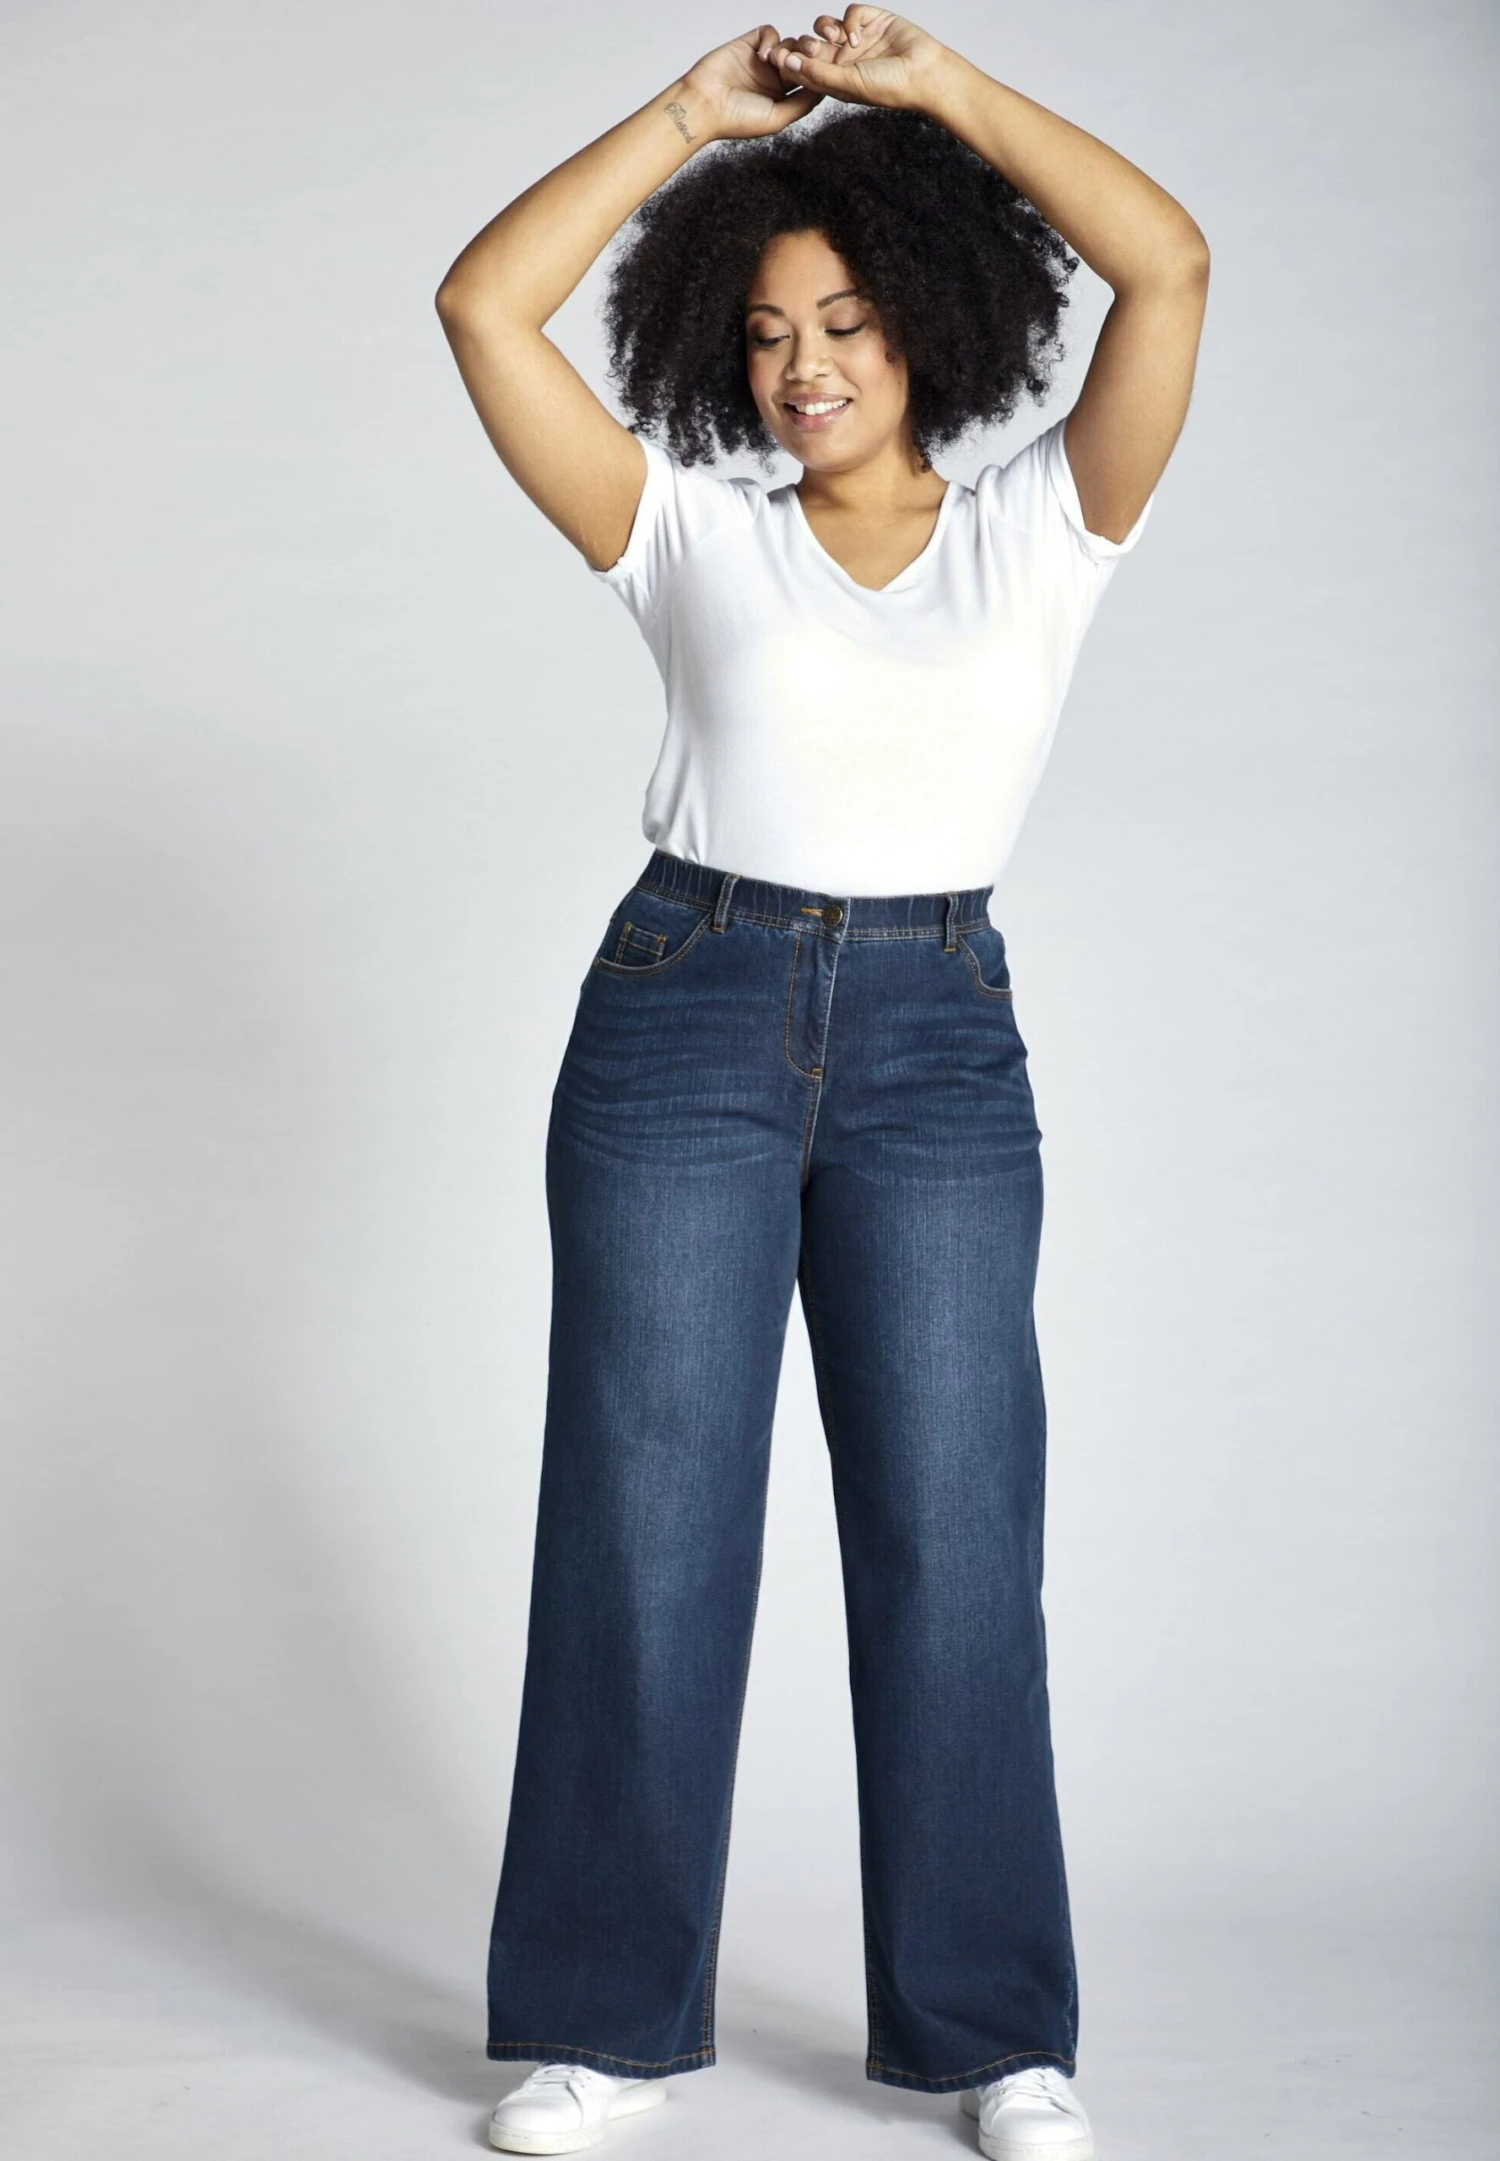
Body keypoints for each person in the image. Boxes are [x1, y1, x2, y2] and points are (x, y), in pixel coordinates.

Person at [435, 11, 1207, 2157]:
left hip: (937, 1039)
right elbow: (483, 307)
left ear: (934, 317)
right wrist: (694, 117)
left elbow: (1169, 265)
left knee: (958, 1529)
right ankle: (600, 2020)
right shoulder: (690, 532)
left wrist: (939, 89)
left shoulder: (1049, 529)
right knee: (645, 1518)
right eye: (770, 329)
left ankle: (992, 2033)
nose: (806, 364)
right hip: (685, 1009)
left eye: (849, 319)